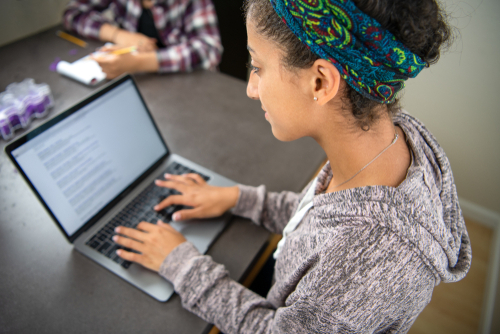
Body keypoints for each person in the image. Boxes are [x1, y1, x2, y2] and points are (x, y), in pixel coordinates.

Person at [111, 0, 472, 332]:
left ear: (320, 81)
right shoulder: (381, 141)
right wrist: (238, 198)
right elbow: (317, 217)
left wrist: (182, 265)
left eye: (258, 67)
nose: (252, 88)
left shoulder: (373, 262)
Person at [62, 0, 223, 78]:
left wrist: (139, 62)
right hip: (138, 81)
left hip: (186, 82)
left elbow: (209, 48)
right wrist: (121, 36)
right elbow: (73, 13)